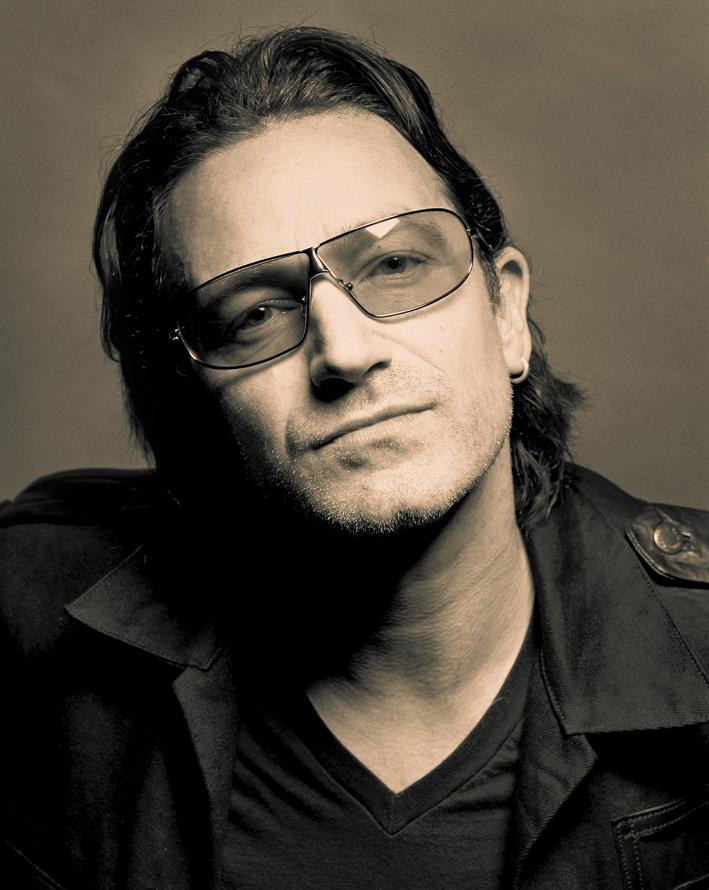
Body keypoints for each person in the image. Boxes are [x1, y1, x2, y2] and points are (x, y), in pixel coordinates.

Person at [1, 25, 707, 890]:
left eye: (397, 264)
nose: (343, 349)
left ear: (505, 315)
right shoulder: (33, 630)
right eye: (254, 314)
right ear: (195, 401)